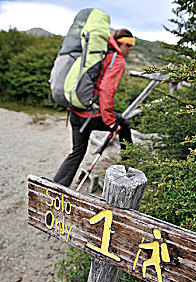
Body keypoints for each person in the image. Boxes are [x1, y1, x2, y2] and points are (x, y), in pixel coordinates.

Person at [53, 29, 135, 187]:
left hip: (75, 112)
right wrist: (111, 122)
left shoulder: (99, 54)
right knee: (123, 124)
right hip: (89, 116)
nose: (130, 49)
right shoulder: (116, 59)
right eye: (130, 45)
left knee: (76, 152)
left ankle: (57, 187)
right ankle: (130, 171)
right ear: (124, 44)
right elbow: (106, 90)